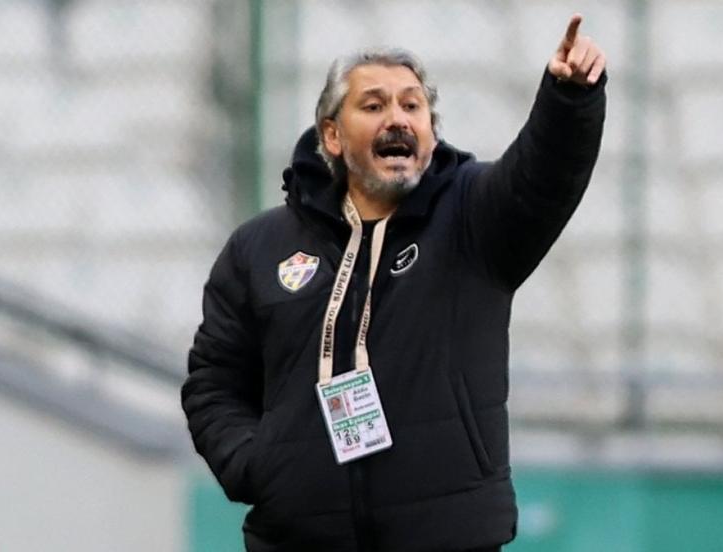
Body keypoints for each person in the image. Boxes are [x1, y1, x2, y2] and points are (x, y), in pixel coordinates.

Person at [182, 13, 606, 552]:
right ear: (332, 135)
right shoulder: (258, 248)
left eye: (412, 105)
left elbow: (541, 179)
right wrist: (259, 465)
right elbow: (213, 382)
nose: (397, 119)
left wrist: (569, 98)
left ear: (431, 129)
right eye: (374, 105)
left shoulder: (472, 216)